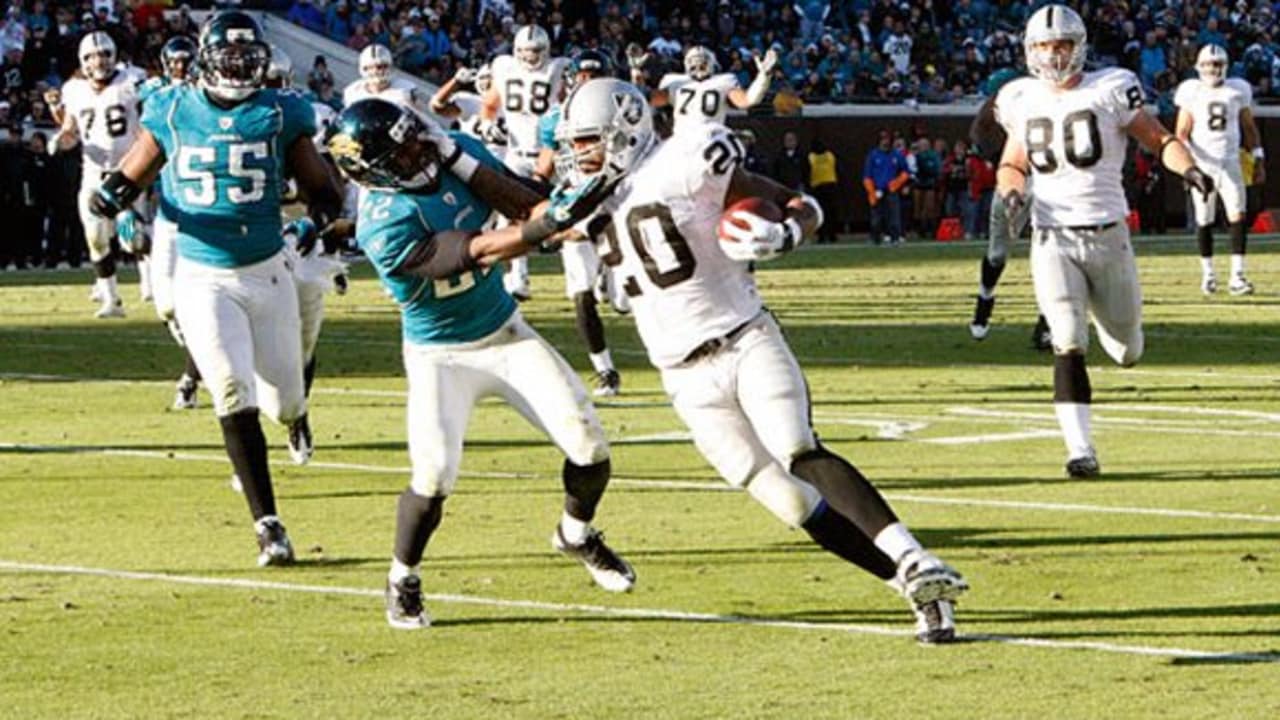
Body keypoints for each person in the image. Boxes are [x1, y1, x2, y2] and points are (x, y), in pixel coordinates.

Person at [559, 78, 969, 644]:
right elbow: (523, 216)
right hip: (682, 377)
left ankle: (916, 559)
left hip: (743, 337)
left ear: (625, 131)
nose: (580, 155)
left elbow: (802, 205)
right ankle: (914, 589)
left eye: (588, 142)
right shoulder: (587, 198)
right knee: (792, 504)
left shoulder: (686, 160)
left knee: (797, 448)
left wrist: (785, 234)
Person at [327, 98, 635, 629]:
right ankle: (402, 575)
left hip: (506, 332)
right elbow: (481, 250)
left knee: (590, 448)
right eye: (401, 154)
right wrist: (550, 225)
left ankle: (575, 535)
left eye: (415, 139)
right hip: (440, 356)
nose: (416, 153)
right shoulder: (384, 224)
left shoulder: (448, 154)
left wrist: (466, 163)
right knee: (434, 477)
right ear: (372, 171)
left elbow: (525, 206)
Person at [88, 11, 345, 566]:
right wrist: (110, 198)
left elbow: (325, 193)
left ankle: (298, 417)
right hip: (203, 274)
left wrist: (310, 223)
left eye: (247, 60)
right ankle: (269, 526)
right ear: (205, 61)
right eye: (228, 60)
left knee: (284, 400)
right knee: (231, 389)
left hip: (267, 269)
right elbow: (133, 172)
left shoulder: (281, 113)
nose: (237, 69)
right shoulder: (173, 107)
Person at [994, 4, 1215, 478]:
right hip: (1052, 236)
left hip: (1108, 235)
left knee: (1126, 350)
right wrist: (1012, 195)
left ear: (1079, 47)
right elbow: (1012, 163)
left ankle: (1106, 321)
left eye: (1061, 45)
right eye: (1044, 46)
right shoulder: (1019, 96)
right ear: (1030, 51)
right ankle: (1080, 450)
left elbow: (1157, 139)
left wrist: (1190, 168)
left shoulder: (1111, 86)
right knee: (1067, 341)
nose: (1053, 56)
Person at [528, 48, 626, 396]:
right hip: (576, 202)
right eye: (582, 77)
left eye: (593, 77)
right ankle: (605, 370)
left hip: (617, 203)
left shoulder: (621, 111)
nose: (587, 84)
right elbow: (544, 168)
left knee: (624, 302)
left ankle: (608, 280)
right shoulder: (555, 118)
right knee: (581, 295)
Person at [48, 31, 145, 318]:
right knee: (96, 237)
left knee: (135, 240)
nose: (98, 60)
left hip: (128, 171)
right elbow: (71, 128)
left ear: (114, 55)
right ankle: (111, 298)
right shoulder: (73, 89)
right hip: (93, 172)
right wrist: (61, 138)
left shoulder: (131, 82)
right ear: (82, 60)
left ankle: (154, 282)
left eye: (104, 54)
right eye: (91, 56)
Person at [139, 34, 204, 410]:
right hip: (168, 212)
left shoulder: (206, 98)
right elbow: (144, 151)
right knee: (166, 305)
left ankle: (190, 379)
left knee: (199, 303)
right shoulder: (157, 98)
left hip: (204, 216)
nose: (181, 68)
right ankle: (204, 360)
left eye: (186, 61)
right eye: (175, 61)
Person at [965, 72, 1050, 346]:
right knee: (997, 253)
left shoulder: (1043, 100)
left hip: (1044, 180)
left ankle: (1048, 321)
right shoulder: (995, 113)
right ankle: (984, 299)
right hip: (1013, 180)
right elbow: (980, 138)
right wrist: (1003, 164)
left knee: (1050, 251)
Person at [1174, 44, 1265, 296]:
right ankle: (1209, 274)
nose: (1212, 69)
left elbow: (1249, 127)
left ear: (1225, 66)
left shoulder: (1238, 89)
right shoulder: (1191, 91)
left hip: (1230, 161)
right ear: (1199, 67)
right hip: (1203, 164)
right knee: (1205, 220)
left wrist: (1258, 157)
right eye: (1207, 65)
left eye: (1216, 64)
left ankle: (1237, 276)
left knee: (1238, 216)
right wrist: (1187, 167)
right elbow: (1181, 133)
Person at [652, 45, 776, 136]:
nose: (698, 68)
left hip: (710, 140)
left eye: (702, 64)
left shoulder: (723, 81)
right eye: (694, 65)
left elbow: (748, 100)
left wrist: (764, 77)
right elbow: (649, 100)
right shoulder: (676, 82)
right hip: (683, 140)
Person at [342, 43, 426, 112]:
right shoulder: (352, 92)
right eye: (372, 67)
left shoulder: (406, 90)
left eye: (383, 66)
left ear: (390, 66)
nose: (377, 71)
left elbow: (423, 120)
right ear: (364, 69)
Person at [863, 129, 908, 246]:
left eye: (887, 140)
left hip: (891, 190)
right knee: (876, 217)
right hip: (877, 190)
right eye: (883, 140)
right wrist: (871, 191)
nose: (885, 142)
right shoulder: (873, 155)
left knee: (894, 215)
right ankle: (875, 238)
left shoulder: (897, 155)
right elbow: (867, 176)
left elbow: (905, 172)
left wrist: (896, 184)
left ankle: (895, 237)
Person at [807, 137, 838, 244]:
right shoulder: (830, 155)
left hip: (819, 186)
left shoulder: (811, 157)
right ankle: (830, 235)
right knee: (829, 212)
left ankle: (824, 236)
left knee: (822, 213)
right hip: (828, 185)